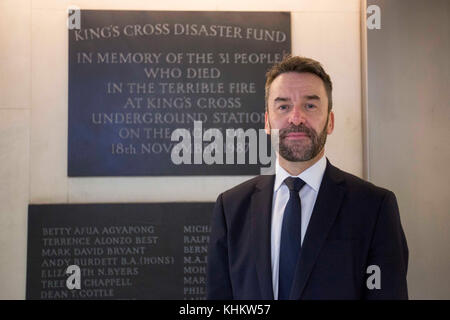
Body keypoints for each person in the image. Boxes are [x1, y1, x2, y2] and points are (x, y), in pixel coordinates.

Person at [207, 56, 409, 300]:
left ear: (330, 122)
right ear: (267, 123)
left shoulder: (375, 207)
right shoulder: (231, 208)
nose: (296, 118)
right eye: (283, 106)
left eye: (310, 106)